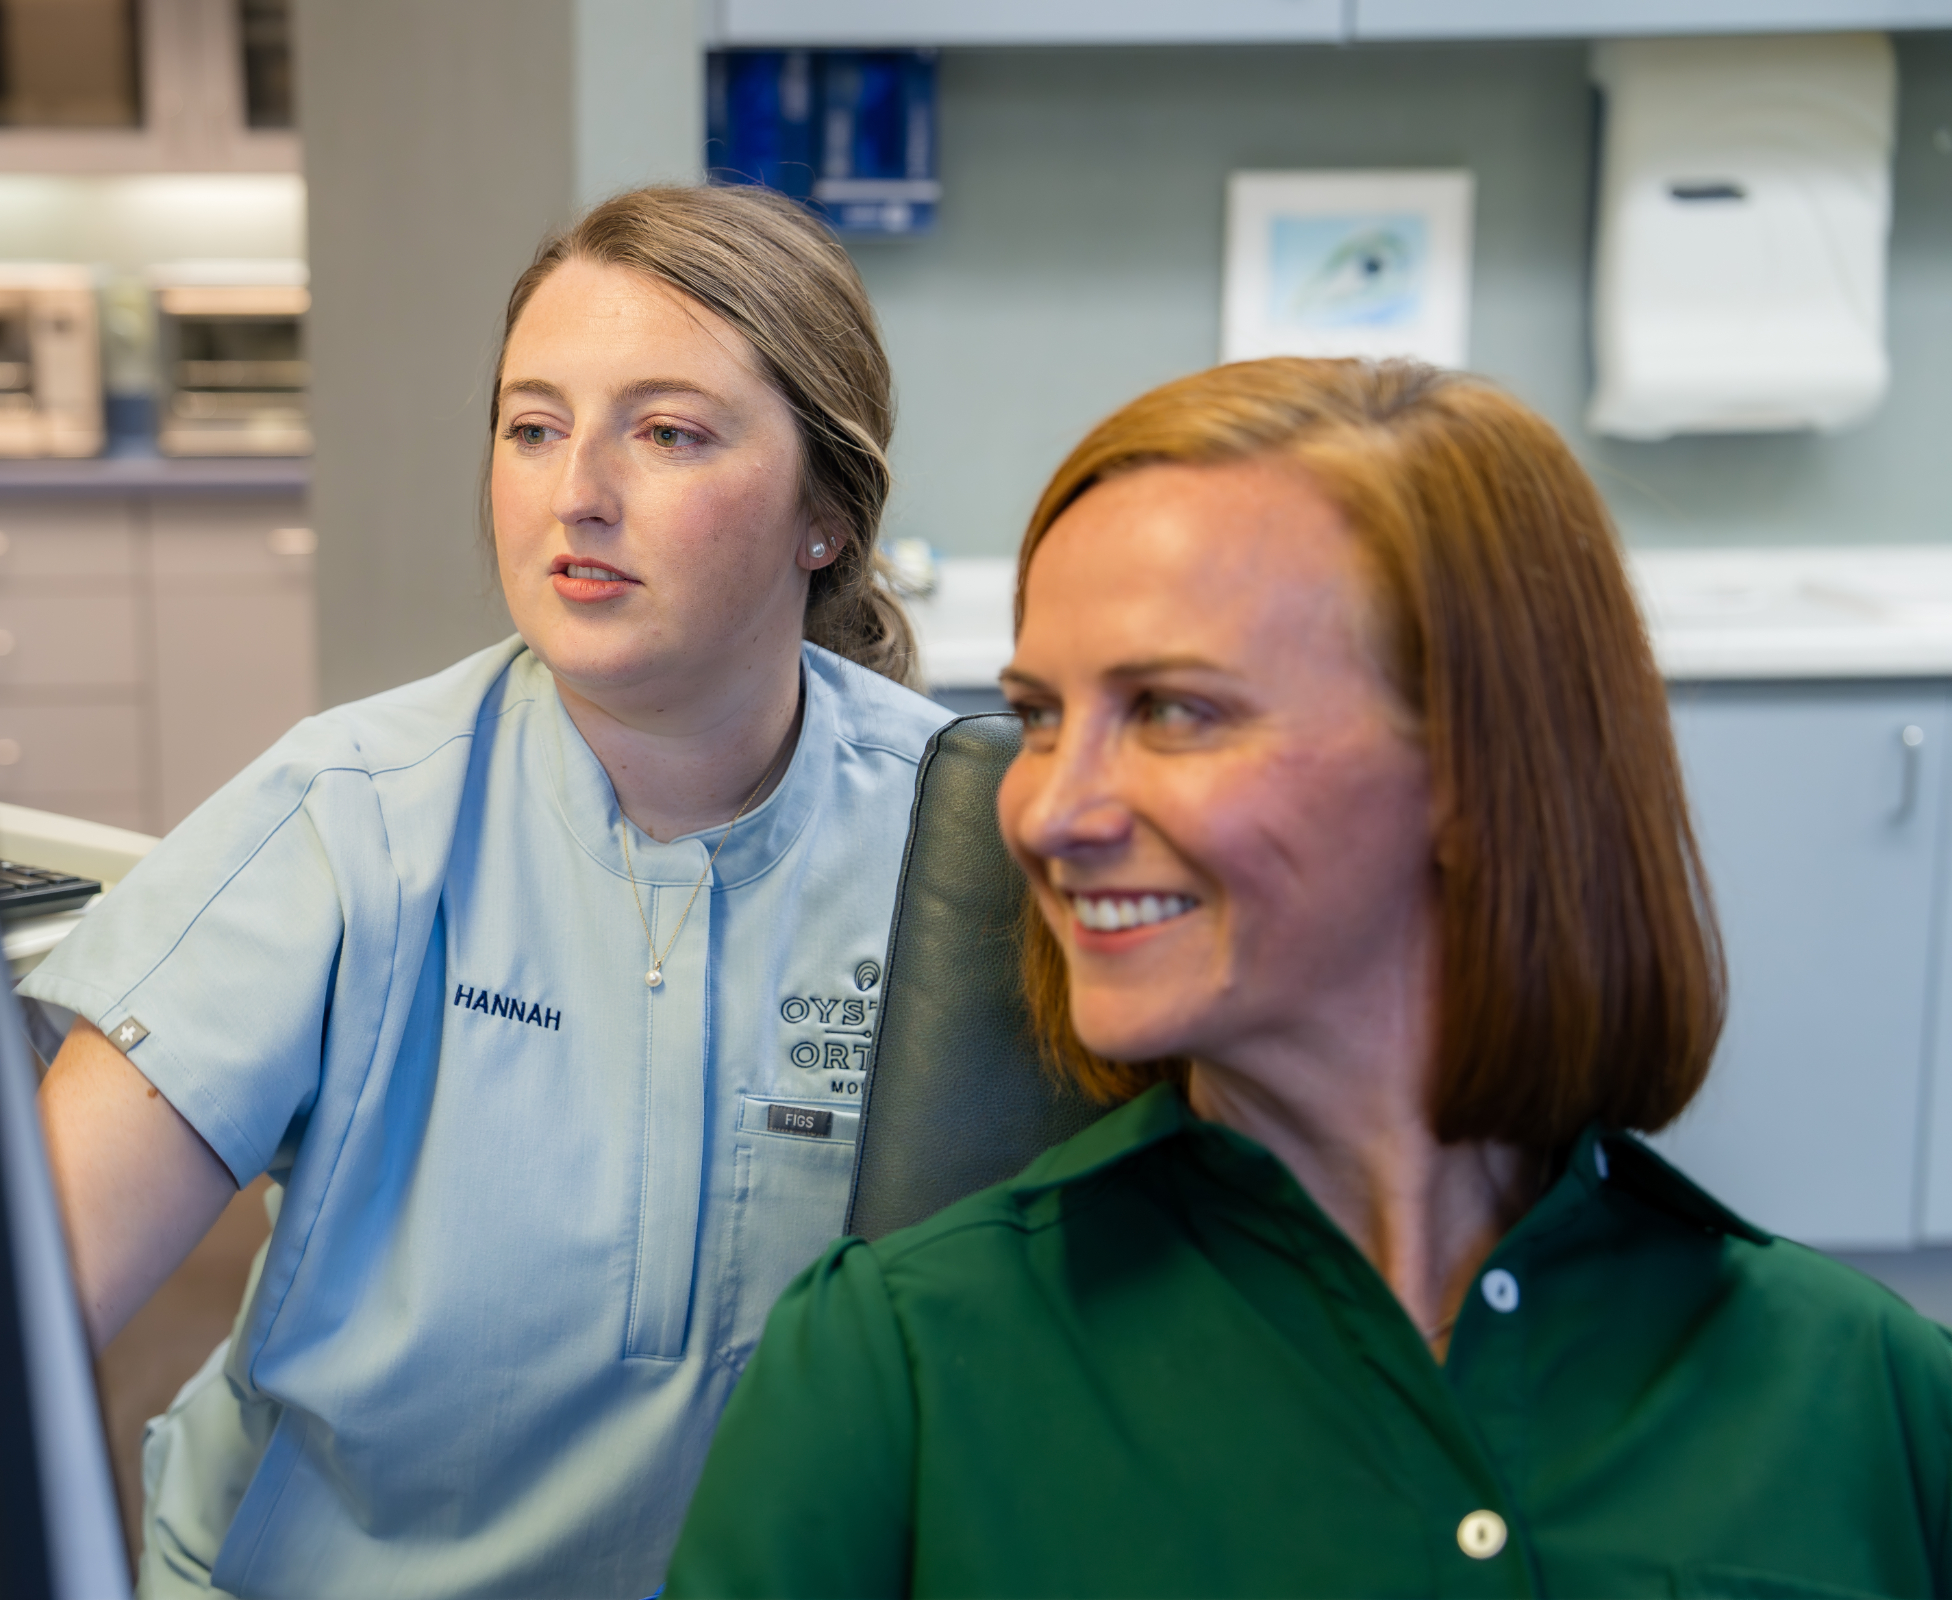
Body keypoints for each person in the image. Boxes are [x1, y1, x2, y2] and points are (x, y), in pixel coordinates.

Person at [664, 358, 1952, 1598]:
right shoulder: (894, 1379)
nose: (1047, 809)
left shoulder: (1871, 1404)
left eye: (1174, 711)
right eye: (1045, 716)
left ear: (1475, 763)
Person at [21, 184, 949, 1598]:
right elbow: (9, 1308)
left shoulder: (962, 843)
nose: (577, 491)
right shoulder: (348, 819)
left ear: (827, 508)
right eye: (533, 426)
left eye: (668, 432)